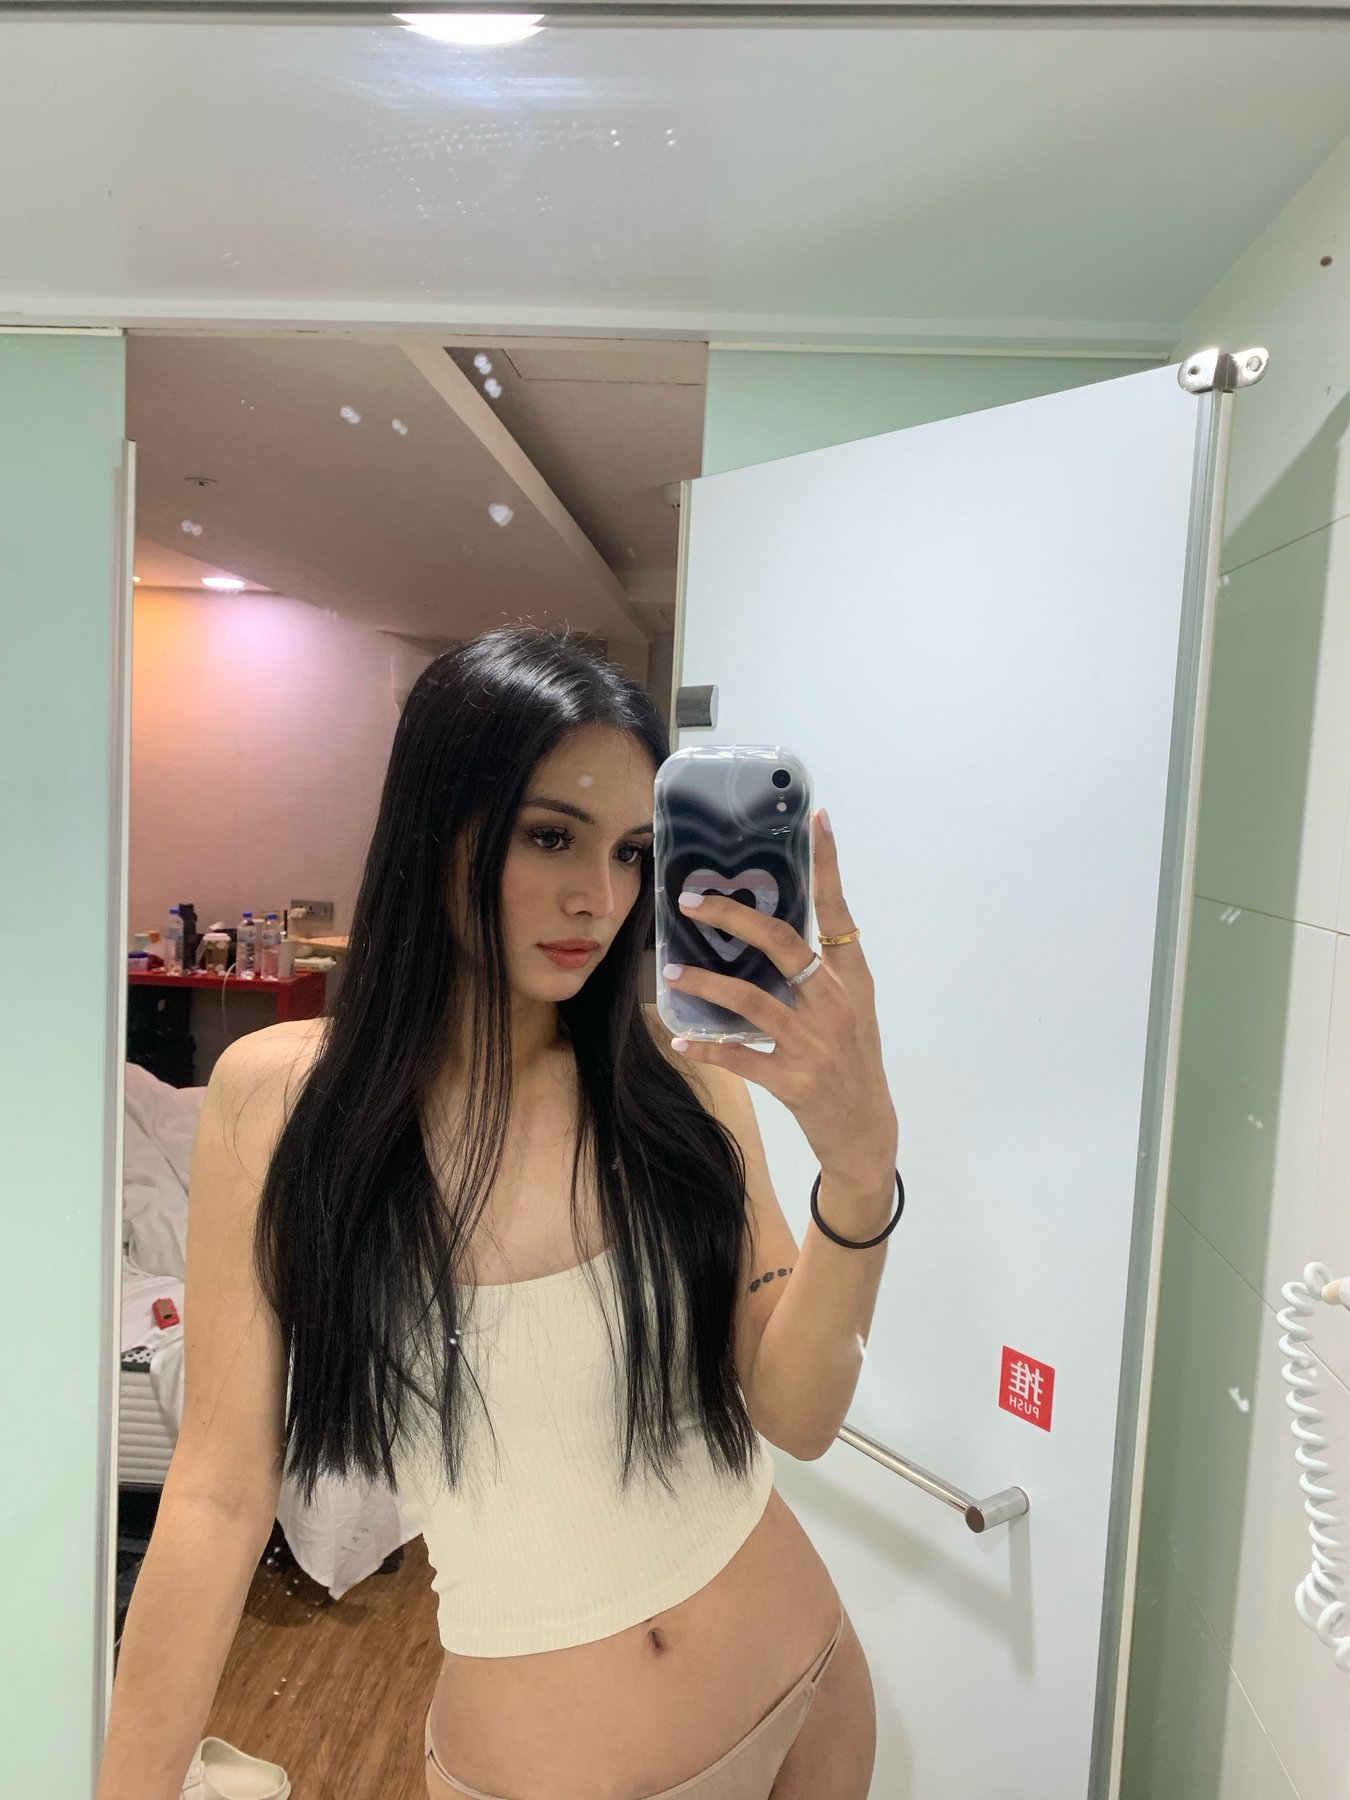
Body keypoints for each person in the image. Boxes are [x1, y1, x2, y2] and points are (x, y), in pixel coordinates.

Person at [97, 625, 901, 1800]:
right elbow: (220, 1492)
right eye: (549, 835)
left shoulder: (680, 1083)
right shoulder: (281, 1103)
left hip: (808, 1690)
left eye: (632, 853)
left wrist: (861, 1177)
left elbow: (797, 1413)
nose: (599, 898)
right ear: (438, 825)